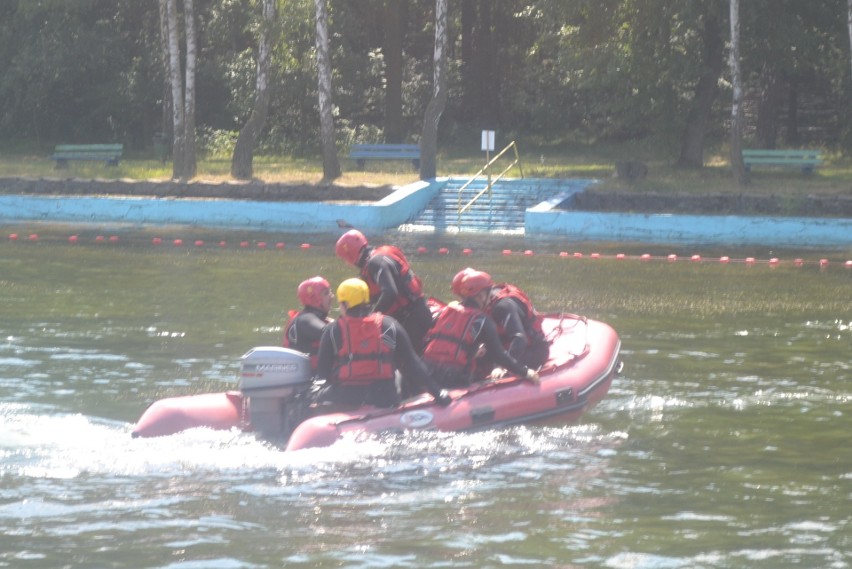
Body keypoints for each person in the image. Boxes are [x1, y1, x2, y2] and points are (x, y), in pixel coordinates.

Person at [312, 278, 451, 409]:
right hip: (384, 396)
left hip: (348, 396)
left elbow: (323, 372)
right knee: (397, 376)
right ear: (366, 300)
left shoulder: (332, 330)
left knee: (313, 394)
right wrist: (438, 393)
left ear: (345, 304)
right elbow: (413, 363)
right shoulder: (389, 325)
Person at [421, 269, 540, 388]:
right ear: (481, 295)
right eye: (489, 292)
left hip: (428, 371)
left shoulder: (446, 312)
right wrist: (525, 372)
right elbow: (500, 356)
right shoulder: (483, 321)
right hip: (455, 378)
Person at [335, 229, 433, 352]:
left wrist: (370, 320)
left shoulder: (375, 263)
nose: (347, 264)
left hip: (413, 318)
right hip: (416, 313)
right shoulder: (380, 256)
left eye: (345, 259)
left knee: (397, 361)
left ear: (350, 255)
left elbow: (390, 293)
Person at [455, 268, 551, 372]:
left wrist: (503, 367)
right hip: (506, 348)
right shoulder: (486, 303)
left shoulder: (503, 306)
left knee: (483, 365)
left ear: (483, 295)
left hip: (533, 350)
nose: (467, 304)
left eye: (470, 299)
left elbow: (519, 339)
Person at [282, 276, 333, 369]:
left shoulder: (319, 319)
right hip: (310, 377)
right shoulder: (304, 320)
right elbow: (333, 334)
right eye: (326, 293)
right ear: (314, 299)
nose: (332, 296)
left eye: (330, 292)